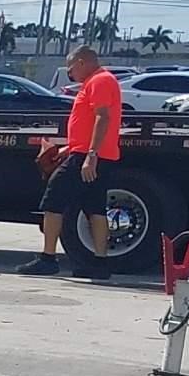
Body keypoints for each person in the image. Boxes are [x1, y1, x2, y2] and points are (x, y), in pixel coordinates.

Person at [17, 46, 124, 279]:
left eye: (71, 68)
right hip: (89, 154)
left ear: (83, 62)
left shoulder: (100, 81)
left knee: (53, 201)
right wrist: (72, 147)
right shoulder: (100, 81)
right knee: (95, 208)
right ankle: (99, 264)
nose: (70, 73)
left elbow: (102, 117)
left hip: (89, 157)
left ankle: (48, 259)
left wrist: (90, 155)